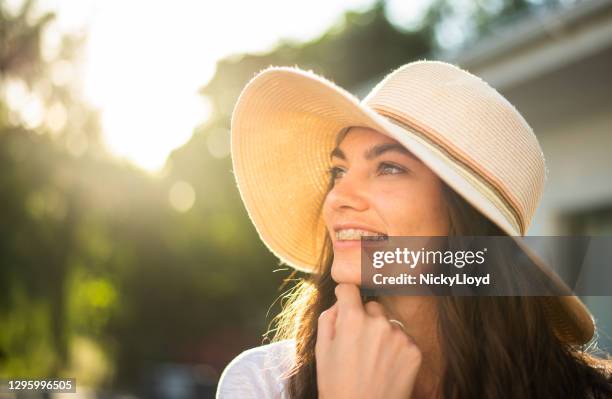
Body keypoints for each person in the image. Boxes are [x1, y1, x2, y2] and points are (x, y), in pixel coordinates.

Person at [216, 61, 612, 398]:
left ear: (467, 219)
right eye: (338, 171)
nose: (337, 198)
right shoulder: (263, 383)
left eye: (389, 168)